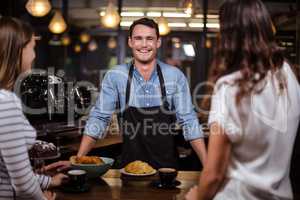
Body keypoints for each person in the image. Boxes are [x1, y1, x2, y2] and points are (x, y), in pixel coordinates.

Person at [46, 18, 207, 171]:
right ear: (130, 42)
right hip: (129, 169)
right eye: (138, 38)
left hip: (167, 169)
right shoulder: (115, 76)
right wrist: (78, 160)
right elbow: (99, 118)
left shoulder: (174, 76)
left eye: (149, 39)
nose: (144, 44)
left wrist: (208, 166)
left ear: (158, 42)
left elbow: (189, 122)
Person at [185, 0, 300, 199]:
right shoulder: (288, 76)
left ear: (229, 35)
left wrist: (196, 196)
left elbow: (213, 174)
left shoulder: (230, 86)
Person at [0, 17, 67, 200]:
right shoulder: (5, 102)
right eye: (32, 48)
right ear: (18, 51)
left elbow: (5, 169)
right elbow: (22, 185)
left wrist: (48, 182)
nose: (34, 55)